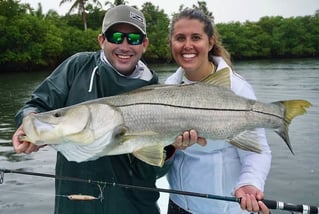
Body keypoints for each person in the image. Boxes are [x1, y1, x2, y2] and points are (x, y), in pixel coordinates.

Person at [11, 5, 194, 214]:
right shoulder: (77, 66)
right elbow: (36, 105)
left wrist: (171, 149)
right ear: (101, 40)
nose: (124, 46)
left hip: (135, 207)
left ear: (144, 44)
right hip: (75, 205)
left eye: (133, 39)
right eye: (116, 36)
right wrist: (27, 121)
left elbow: (152, 173)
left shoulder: (158, 96)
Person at [165, 9, 272, 214]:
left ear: (210, 42)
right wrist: (173, 147)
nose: (187, 45)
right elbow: (167, 152)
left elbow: (257, 150)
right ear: (172, 43)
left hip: (222, 209)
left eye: (196, 37)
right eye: (180, 38)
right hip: (177, 205)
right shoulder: (170, 85)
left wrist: (249, 182)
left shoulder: (237, 89)